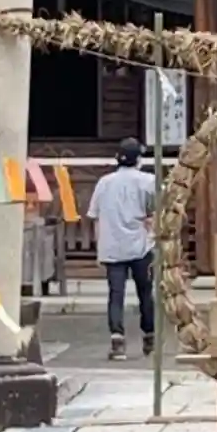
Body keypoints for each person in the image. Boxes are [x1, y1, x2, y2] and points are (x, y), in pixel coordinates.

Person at [86, 138, 157, 360]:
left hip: (112, 245)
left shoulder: (104, 183)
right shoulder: (148, 181)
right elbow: (158, 209)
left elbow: (95, 216)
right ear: (138, 159)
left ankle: (117, 341)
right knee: (145, 292)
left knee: (115, 294)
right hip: (141, 244)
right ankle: (150, 337)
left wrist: (99, 246)